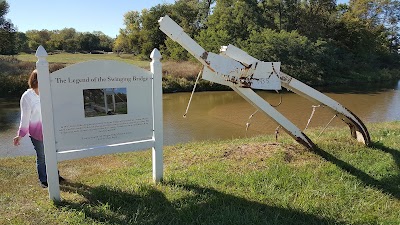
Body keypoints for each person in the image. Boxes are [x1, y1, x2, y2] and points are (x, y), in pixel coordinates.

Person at [13, 69, 64, 188]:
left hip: (51, 130)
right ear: (35, 80)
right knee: (42, 155)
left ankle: (55, 175)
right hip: (37, 132)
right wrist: (20, 134)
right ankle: (43, 179)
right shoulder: (27, 96)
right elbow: (25, 117)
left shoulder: (49, 92)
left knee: (52, 153)